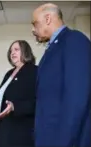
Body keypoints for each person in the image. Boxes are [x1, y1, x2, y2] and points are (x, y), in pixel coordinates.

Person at [32, 3, 91, 147]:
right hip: (48, 136)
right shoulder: (52, 49)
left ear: (48, 19)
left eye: (35, 24)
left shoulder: (74, 40)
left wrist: (65, 141)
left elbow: (77, 98)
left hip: (63, 139)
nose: (33, 29)